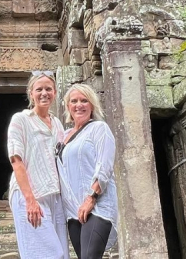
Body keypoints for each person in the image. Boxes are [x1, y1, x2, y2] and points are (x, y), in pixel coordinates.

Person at [6, 70, 69, 259]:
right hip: (31, 194)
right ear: (30, 93)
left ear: (55, 93)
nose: (44, 93)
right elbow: (16, 160)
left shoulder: (57, 123)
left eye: (48, 89)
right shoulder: (21, 119)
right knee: (46, 253)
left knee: (62, 253)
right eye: (39, 89)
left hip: (55, 195)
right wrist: (30, 200)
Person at [56, 84, 118, 259]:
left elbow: (105, 167)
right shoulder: (64, 135)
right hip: (72, 211)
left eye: (84, 101)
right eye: (74, 101)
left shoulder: (99, 128)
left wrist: (92, 197)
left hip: (97, 205)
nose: (79, 105)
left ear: (92, 105)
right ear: (68, 106)